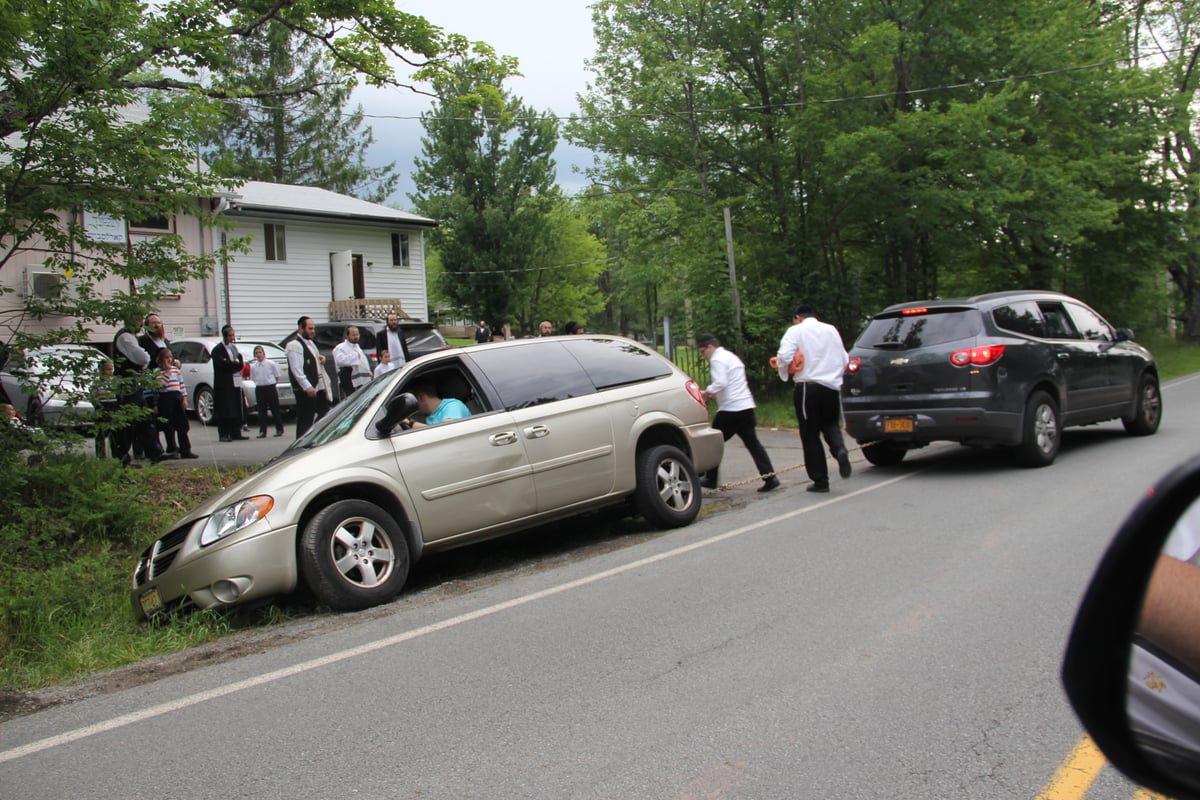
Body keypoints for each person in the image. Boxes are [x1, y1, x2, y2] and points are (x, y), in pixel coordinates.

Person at [776, 304, 851, 493]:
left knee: (810, 434)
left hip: (807, 387)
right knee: (830, 424)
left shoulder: (795, 331)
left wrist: (784, 369)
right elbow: (844, 359)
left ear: (797, 317)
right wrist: (834, 375)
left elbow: (784, 356)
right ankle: (839, 449)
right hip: (831, 387)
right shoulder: (831, 329)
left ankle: (820, 480)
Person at [696, 334, 780, 493]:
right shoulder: (730, 357)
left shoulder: (717, 359)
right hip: (746, 406)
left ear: (709, 347)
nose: (704, 356)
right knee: (753, 444)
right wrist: (718, 393)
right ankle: (770, 477)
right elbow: (732, 382)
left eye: (702, 352)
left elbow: (721, 382)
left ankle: (710, 478)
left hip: (731, 410)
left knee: (713, 443)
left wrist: (706, 392)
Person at [111, 315, 166, 464]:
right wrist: (145, 362)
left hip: (134, 382)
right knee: (129, 422)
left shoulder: (130, 336)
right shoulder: (126, 337)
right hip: (127, 383)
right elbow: (142, 358)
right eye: (139, 321)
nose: (141, 324)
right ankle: (121, 458)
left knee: (144, 418)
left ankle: (155, 452)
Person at [287, 315, 331, 437]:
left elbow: (312, 360)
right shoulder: (294, 345)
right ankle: (301, 443)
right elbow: (297, 369)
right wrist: (307, 387)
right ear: (301, 328)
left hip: (318, 386)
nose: (313, 331)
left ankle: (314, 436)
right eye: (310, 328)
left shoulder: (310, 343)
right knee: (305, 418)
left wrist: (320, 359)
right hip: (306, 389)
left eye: (313, 328)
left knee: (325, 413)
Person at [153, 347, 194, 458]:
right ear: (161, 359)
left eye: (170, 357)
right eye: (166, 357)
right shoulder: (157, 372)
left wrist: (184, 398)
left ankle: (185, 449)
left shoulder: (175, 370)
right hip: (165, 397)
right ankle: (172, 448)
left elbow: (181, 384)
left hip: (177, 396)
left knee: (182, 424)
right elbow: (161, 385)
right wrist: (166, 372)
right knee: (169, 425)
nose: (169, 360)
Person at [211, 324, 246, 442]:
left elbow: (240, 362)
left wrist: (234, 364)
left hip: (235, 381)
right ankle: (224, 433)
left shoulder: (234, 348)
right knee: (225, 408)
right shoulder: (217, 350)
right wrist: (233, 364)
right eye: (230, 336)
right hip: (223, 383)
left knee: (236, 406)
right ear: (225, 336)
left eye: (233, 335)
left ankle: (236, 431)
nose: (232, 338)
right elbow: (222, 365)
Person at [249, 345, 285, 437]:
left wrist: (272, 383)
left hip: (270, 387)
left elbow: (276, 376)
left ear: (263, 353)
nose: (258, 355)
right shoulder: (253, 366)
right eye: (256, 353)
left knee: (275, 409)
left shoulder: (271, 364)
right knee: (261, 411)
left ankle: (279, 429)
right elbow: (253, 378)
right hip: (260, 388)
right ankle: (262, 431)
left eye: (260, 352)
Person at [405, 380, 470, 427]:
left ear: (421, 397)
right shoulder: (429, 416)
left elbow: (448, 430)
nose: (410, 405)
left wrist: (409, 422)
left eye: (411, 400)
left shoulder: (452, 406)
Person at [333, 325, 373, 397]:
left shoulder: (357, 346)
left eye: (357, 335)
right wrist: (354, 356)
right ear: (347, 336)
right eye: (353, 335)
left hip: (361, 380)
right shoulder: (340, 347)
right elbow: (340, 361)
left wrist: (368, 371)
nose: (356, 337)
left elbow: (363, 361)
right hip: (348, 378)